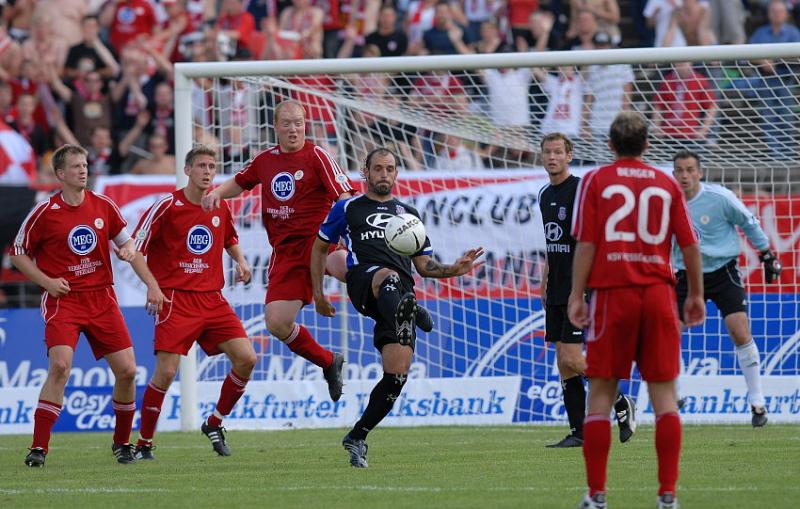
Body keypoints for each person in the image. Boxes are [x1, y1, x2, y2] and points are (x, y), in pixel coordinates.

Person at [310, 147, 483, 468]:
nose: (384, 174)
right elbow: (319, 248)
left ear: (396, 173)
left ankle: (357, 436)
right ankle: (411, 311)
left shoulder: (408, 214)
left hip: (399, 294)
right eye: (377, 169)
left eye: (389, 169)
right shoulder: (347, 207)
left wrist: (454, 269)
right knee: (386, 276)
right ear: (366, 171)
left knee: (397, 375)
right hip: (365, 281)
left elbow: (425, 266)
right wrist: (319, 294)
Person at [568, 112, 705, 509]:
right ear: (647, 145)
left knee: (601, 392)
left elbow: (588, 244)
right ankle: (667, 496)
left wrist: (578, 294)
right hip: (659, 294)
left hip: (613, 294)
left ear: (610, 145)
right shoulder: (666, 183)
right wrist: (694, 294)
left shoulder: (596, 180)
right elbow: (691, 245)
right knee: (664, 395)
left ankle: (596, 496)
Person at [10, 144, 165, 467]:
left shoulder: (103, 206)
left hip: (102, 300)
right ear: (60, 174)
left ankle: (122, 444)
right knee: (61, 366)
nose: (83, 170)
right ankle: (39, 448)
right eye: (76, 166)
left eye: (85, 165)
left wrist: (150, 283)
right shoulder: (44, 212)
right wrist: (47, 282)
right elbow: (18, 254)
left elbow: (129, 247)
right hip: (63, 301)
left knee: (126, 371)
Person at [201, 100, 351, 402]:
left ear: (305, 124)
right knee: (276, 322)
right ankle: (327, 361)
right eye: (287, 123)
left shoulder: (318, 156)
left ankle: (396, 297)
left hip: (319, 241)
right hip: (286, 253)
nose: (293, 128)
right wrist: (216, 192)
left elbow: (344, 196)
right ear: (275, 127)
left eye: (298, 122)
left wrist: (345, 234)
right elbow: (241, 182)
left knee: (348, 268)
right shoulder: (266, 160)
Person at [131, 145, 257, 459]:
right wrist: (152, 286)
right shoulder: (167, 206)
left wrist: (241, 262)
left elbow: (229, 239)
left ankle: (214, 422)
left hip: (212, 299)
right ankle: (144, 442)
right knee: (166, 372)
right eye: (201, 165)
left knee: (247, 358)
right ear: (187, 170)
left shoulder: (220, 205)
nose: (207, 171)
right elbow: (135, 249)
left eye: (212, 166)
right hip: (176, 300)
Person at [537, 132, 637, 449]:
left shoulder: (582, 190)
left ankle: (620, 401)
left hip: (579, 288)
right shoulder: (543, 194)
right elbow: (553, 244)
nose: (552, 157)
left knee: (572, 356)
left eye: (557, 152)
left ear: (569, 155)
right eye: (547, 152)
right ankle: (579, 431)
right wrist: (545, 280)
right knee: (563, 362)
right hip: (556, 287)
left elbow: (594, 239)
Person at [671, 149, 781, 427]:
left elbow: (748, 221)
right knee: (669, 330)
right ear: (674, 174)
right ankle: (676, 393)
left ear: (700, 172)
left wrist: (767, 254)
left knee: (739, 330)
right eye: (679, 171)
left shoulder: (719, 197)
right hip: (685, 274)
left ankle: (758, 402)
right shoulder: (668, 202)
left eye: (690, 170)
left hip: (723, 272)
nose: (684, 175)